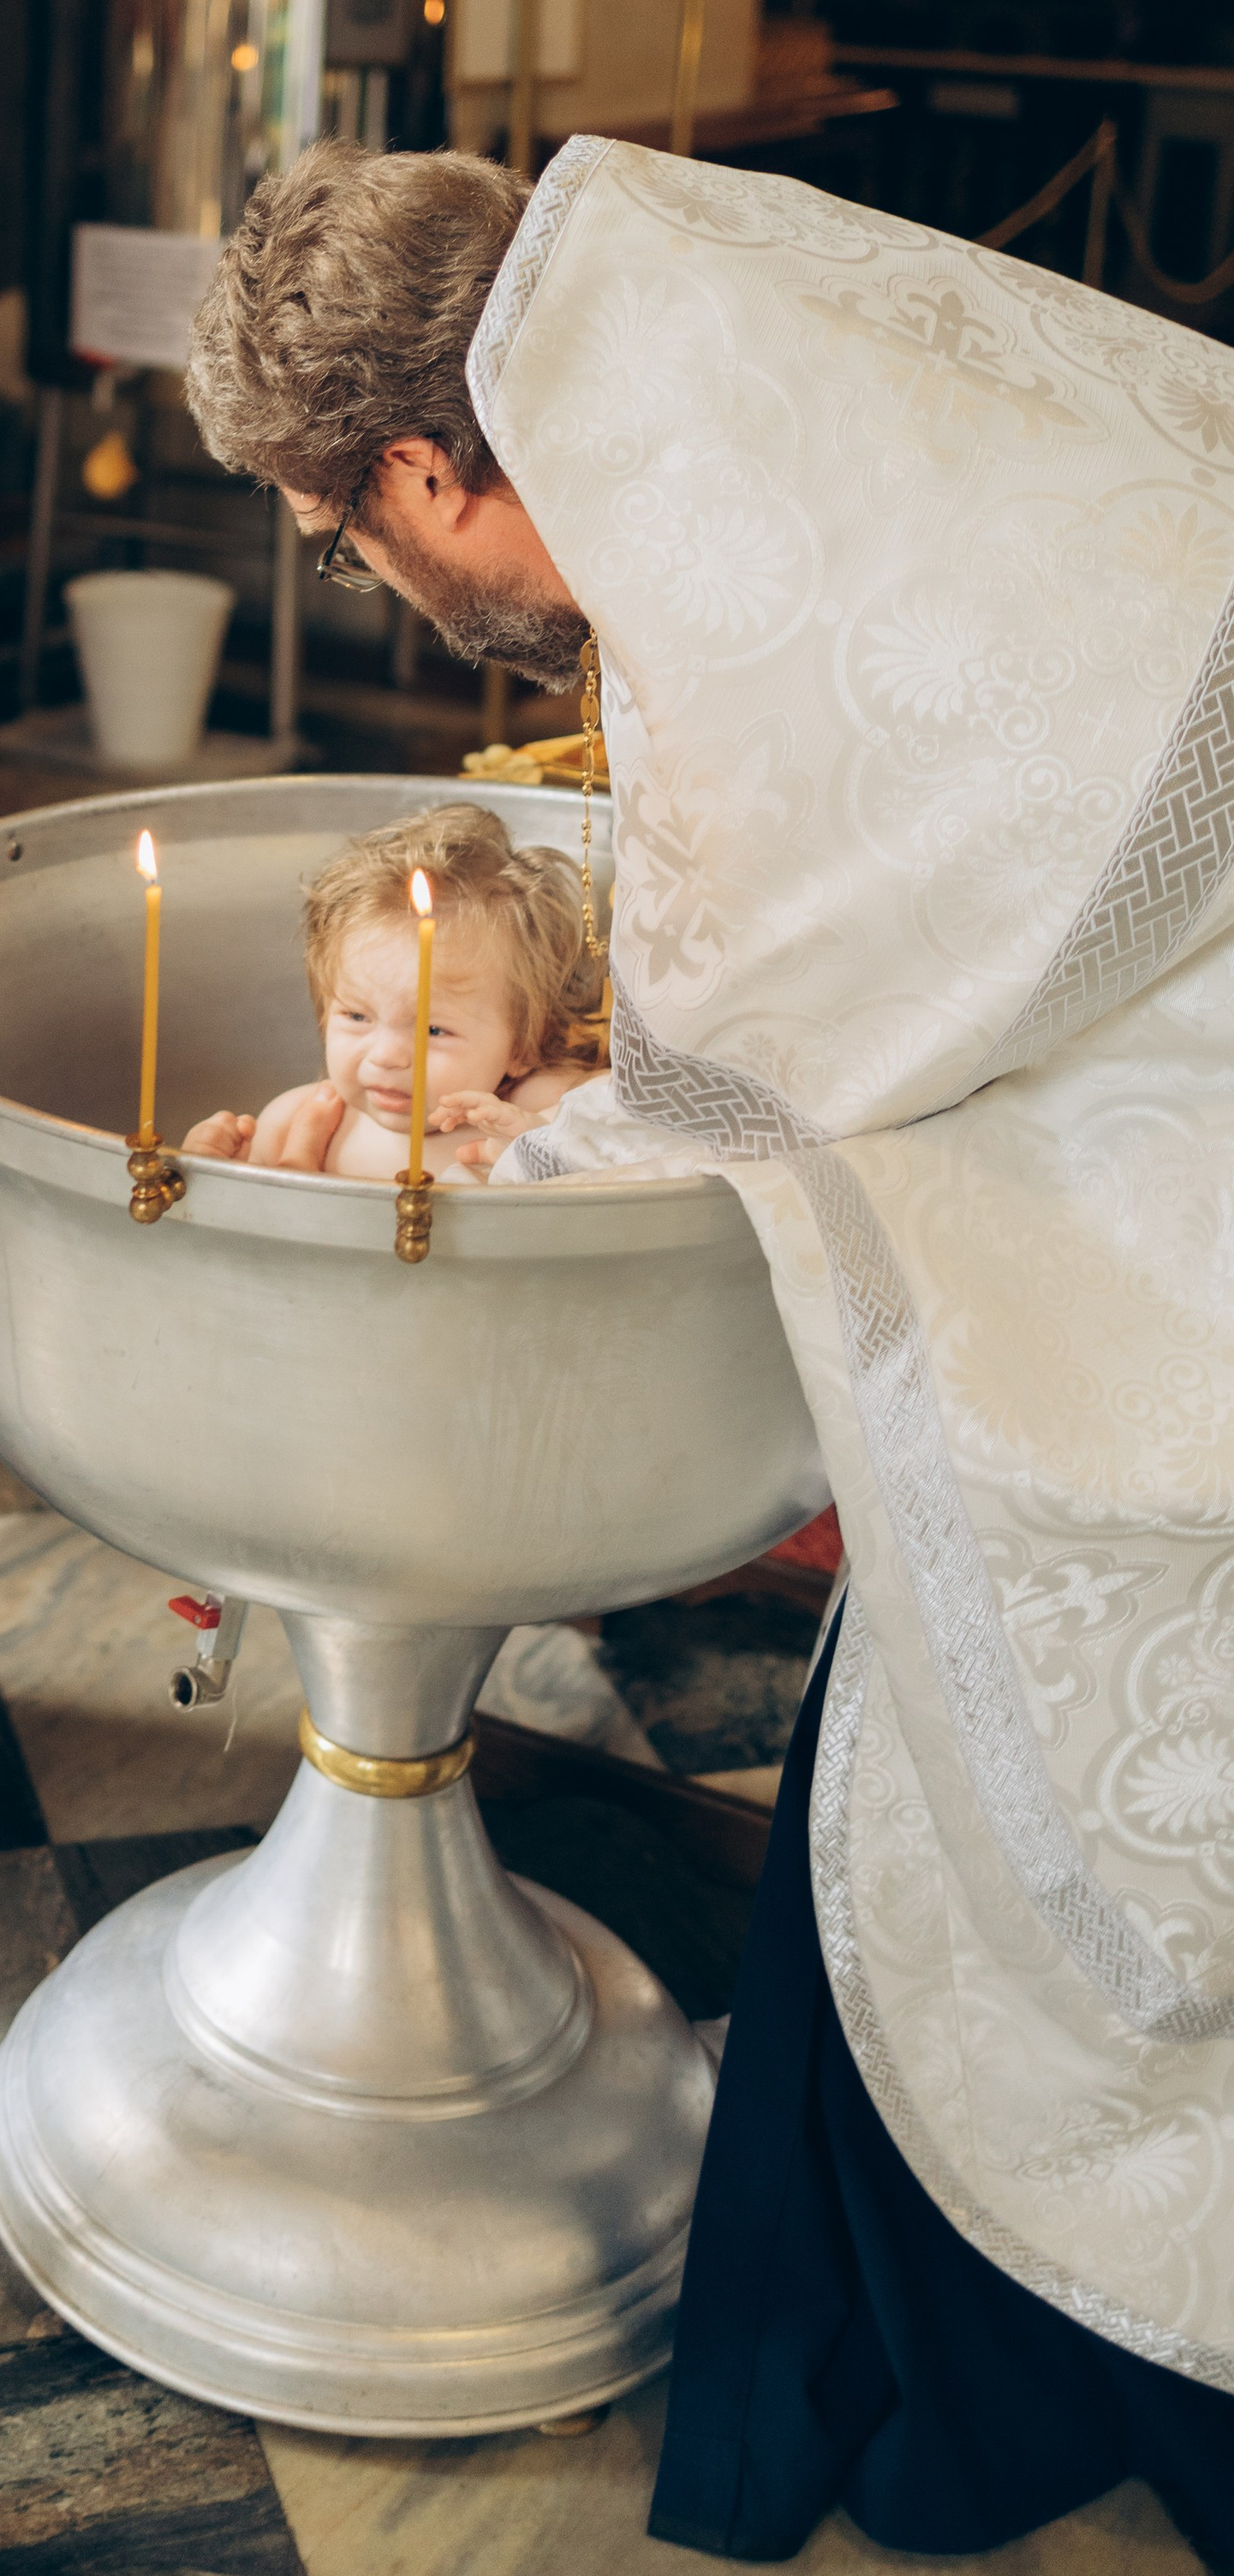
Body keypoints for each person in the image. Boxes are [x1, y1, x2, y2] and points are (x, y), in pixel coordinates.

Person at [183, 128, 1234, 2563]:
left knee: (1057, 1795)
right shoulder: (800, 402)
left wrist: (460, 1166)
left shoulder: (729, 565)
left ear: (434, 465)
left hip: (1151, 1243)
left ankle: (1039, 2367)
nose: (375, 580)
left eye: (356, 535)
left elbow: (759, 1038)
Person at [182, 802, 602, 1178]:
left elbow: (636, 1134)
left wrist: (545, 1147)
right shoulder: (292, 1122)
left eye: (435, 1030)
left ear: (523, 1046)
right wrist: (214, 1174)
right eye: (357, 1016)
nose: (385, 1056)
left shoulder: (535, 1104)